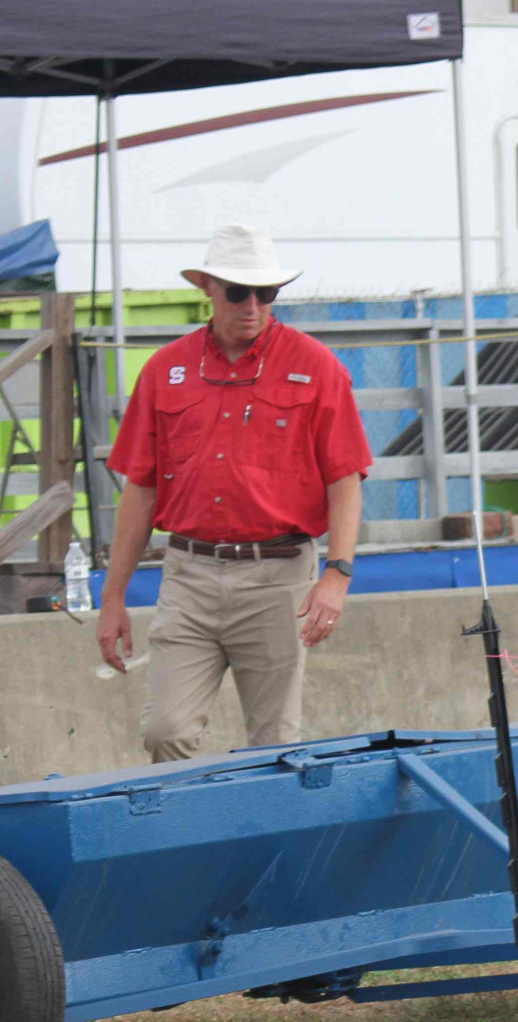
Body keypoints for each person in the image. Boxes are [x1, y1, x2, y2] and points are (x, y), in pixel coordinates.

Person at [97, 224, 374, 761]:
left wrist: (336, 576)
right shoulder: (164, 370)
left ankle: (258, 841)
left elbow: (346, 479)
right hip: (188, 574)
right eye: (237, 291)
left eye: (265, 292)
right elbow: (140, 489)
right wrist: (113, 598)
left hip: (279, 577)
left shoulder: (316, 367)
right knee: (165, 732)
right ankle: (187, 838)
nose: (252, 305)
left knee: (274, 746)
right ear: (207, 287)